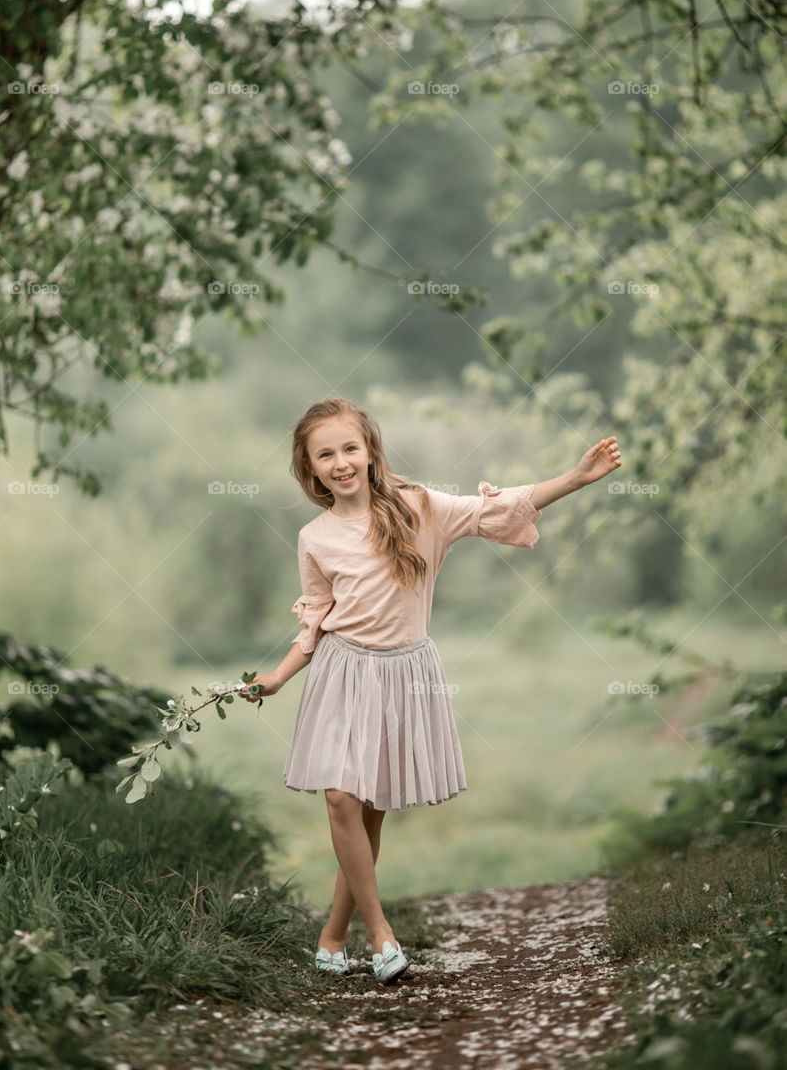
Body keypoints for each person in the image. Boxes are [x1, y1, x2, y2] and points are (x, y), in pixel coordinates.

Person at [240, 397, 622, 983]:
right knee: (341, 799)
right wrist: (276, 677)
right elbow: (317, 619)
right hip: (343, 673)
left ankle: (331, 937)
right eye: (325, 454)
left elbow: (498, 508)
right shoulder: (314, 537)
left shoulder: (420, 508)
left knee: (367, 818)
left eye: (349, 448)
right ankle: (381, 935)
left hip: (403, 678)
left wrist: (574, 478)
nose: (340, 462)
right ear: (309, 467)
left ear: (369, 452)